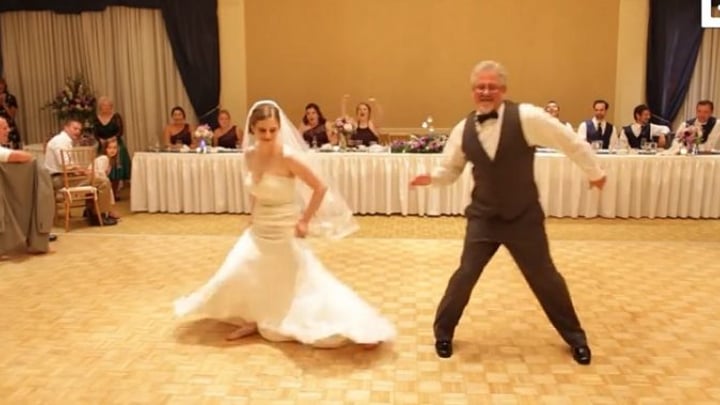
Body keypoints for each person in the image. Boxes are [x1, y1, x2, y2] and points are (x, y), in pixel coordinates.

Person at [411, 60, 606, 365]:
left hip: (523, 218)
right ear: (472, 91)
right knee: (465, 275)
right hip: (484, 218)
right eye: (480, 87)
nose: (485, 91)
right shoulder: (463, 129)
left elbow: (568, 141)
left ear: (503, 90)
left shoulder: (527, 117)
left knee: (546, 279)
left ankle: (576, 339)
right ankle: (443, 333)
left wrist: (593, 171)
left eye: (491, 86)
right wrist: (431, 178)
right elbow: (450, 169)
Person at [174, 100, 395, 348]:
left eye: (272, 130)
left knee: (304, 284)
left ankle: (354, 326)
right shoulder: (248, 156)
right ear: (252, 131)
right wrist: (252, 215)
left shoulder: (289, 157)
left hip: (284, 227)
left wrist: (304, 221)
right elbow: (254, 191)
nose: (268, 136)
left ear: (279, 129)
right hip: (259, 228)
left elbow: (320, 188)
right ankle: (251, 317)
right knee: (239, 270)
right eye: (262, 131)